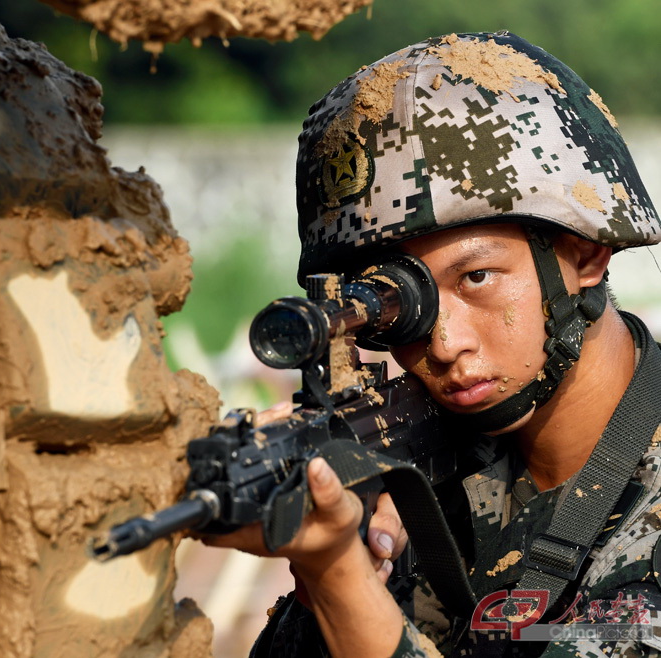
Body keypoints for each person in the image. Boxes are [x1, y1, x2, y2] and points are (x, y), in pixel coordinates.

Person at [202, 31, 661, 656]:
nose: (443, 345)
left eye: (477, 278)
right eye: (400, 305)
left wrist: (336, 574)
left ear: (585, 253)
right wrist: (337, 577)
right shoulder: (419, 477)